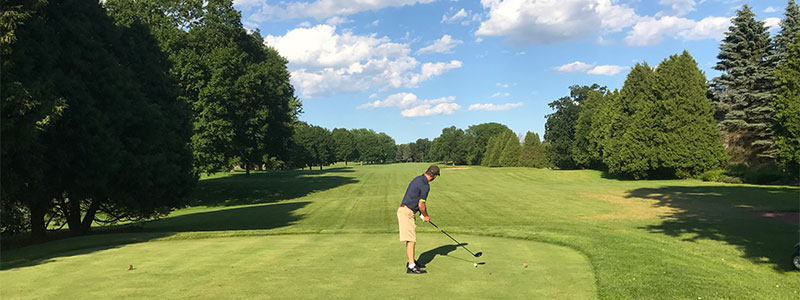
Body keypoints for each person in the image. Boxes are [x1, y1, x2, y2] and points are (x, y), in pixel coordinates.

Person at [397, 165, 439, 274]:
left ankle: (412, 261)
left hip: (406, 210)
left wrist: (421, 215)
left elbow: (414, 198)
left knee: (411, 238)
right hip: (406, 212)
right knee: (411, 240)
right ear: (434, 176)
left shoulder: (418, 179)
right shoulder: (425, 186)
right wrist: (425, 215)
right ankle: (411, 266)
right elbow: (421, 205)